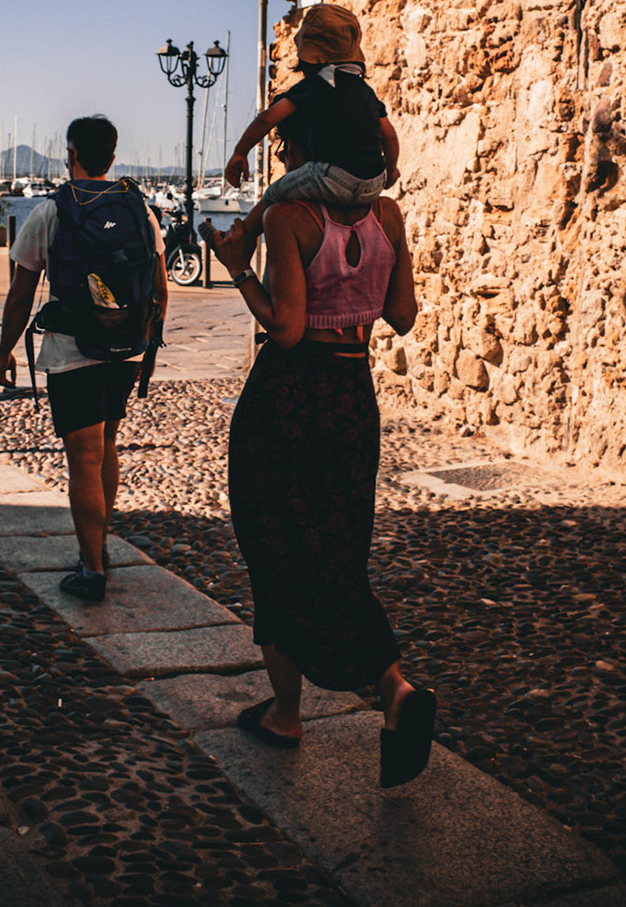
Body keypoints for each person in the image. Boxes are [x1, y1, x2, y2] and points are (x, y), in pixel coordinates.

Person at [205, 122, 434, 788]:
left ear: (305, 153)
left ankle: (286, 714)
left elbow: (286, 326)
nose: (280, 157)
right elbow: (405, 315)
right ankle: (394, 688)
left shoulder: (288, 217)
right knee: (336, 549)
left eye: (284, 148)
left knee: (273, 544)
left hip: (289, 395)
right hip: (351, 395)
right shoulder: (387, 214)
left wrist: (237, 272)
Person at [0, 116, 168, 602]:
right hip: (126, 347)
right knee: (107, 445)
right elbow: (159, 290)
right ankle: (100, 546)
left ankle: (91, 569)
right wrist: (150, 347)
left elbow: (20, 294)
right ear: (112, 157)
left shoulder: (52, 212)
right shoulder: (140, 210)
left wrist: (5, 349)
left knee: (84, 458)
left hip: (74, 351)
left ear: (70, 153)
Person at [219, 3, 399, 252]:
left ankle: (239, 238)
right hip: (373, 182)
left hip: (334, 178)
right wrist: (391, 171)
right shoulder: (366, 92)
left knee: (275, 192)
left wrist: (240, 152)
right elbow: (389, 136)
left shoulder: (315, 86)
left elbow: (266, 119)